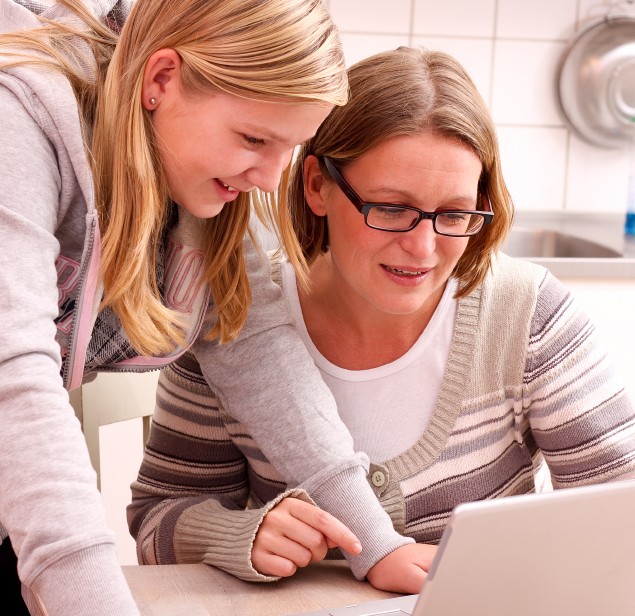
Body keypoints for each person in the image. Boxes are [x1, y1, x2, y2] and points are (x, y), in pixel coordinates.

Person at [0, 0, 393, 613]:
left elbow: (259, 351)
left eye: (290, 148)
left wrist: (377, 544)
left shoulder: (192, 172)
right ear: (161, 79)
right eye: (253, 138)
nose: (271, 178)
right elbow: (13, 388)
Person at [129, 47, 635, 590]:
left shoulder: (529, 316)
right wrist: (240, 534)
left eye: (455, 213)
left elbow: (620, 518)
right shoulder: (230, 310)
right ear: (317, 187)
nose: (422, 248)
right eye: (391, 208)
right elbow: (159, 519)